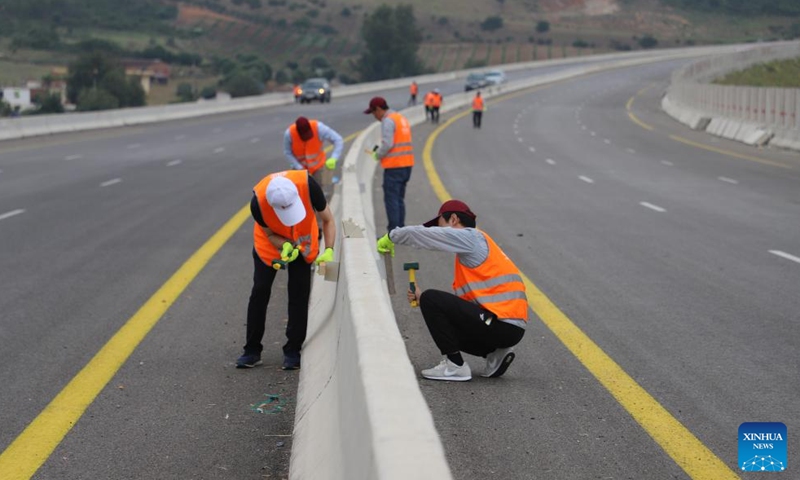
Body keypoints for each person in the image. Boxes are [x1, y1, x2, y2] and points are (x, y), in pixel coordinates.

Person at [376, 199, 528, 382]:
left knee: (432, 298)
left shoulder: (471, 237)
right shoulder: (476, 249)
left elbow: (426, 236)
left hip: (500, 324)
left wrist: (392, 236)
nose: (440, 231)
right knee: (434, 305)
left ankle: (455, 365)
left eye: (441, 225)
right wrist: (420, 297)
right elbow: (463, 312)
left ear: (454, 219)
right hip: (502, 325)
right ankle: (494, 353)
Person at [236, 170, 336, 370]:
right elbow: (269, 233)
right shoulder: (258, 202)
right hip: (270, 243)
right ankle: (252, 350)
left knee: (299, 293)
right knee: (260, 290)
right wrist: (285, 245)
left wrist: (329, 250)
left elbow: (328, 220)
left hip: (304, 239)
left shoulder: (308, 186)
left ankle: (293, 350)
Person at [364, 96, 414, 233]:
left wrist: (377, 154)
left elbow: (387, 144)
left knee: (391, 200)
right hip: (407, 164)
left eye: (374, 113)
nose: (374, 116)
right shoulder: (400, 118)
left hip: (394, 166)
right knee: (399, 199)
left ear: (379, 109)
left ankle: (393, 233)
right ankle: (401, 230)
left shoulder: (388, 121)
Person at [283, 116, 343, 188]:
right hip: (299, 167)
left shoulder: (319, 128)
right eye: (303, 136)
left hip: (318, 165)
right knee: (300, 190)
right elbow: (288, 152)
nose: (306, 138)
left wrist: (334, 158)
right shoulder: (289, 134)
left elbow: (338, 140)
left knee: (319, 189)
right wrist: (299, 167)